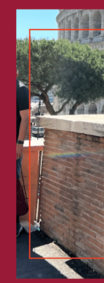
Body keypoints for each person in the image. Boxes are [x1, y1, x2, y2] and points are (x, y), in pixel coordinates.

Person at [16, 67, 30, 237]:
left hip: (13, 144)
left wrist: (19, 143)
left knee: (13, 184)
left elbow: (25, 118)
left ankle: (16, 223)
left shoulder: (21, 89)